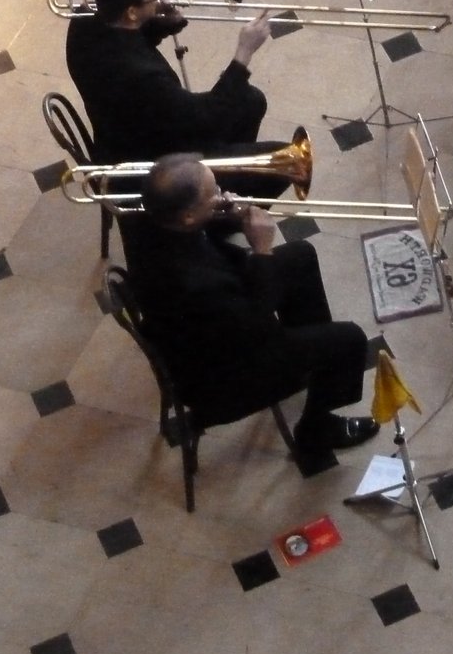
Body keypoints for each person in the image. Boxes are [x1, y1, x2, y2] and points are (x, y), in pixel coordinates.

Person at [121, 154, 379, 454]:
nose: (223, 196)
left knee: (300, 256)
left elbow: (211, 253)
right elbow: (258, 323)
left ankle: (312, 361)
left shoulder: (156, 221)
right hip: (225, 378)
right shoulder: (193, 282)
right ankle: (315, 431)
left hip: (217, 326)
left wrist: (229, 217)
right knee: (350, 340)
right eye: (215, 193)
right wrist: (261, 248)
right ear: (188, 216)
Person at [65, 0, 288, 195]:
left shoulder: (87, 20)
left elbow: (131, 38)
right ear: (131, 12)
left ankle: (233, 176)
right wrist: (244, 53)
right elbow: (205, 119)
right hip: (152, 167)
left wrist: (164, 21)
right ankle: (226, 208)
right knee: (282, 164)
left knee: (251, 100)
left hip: (131, 129)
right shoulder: (143, 78)